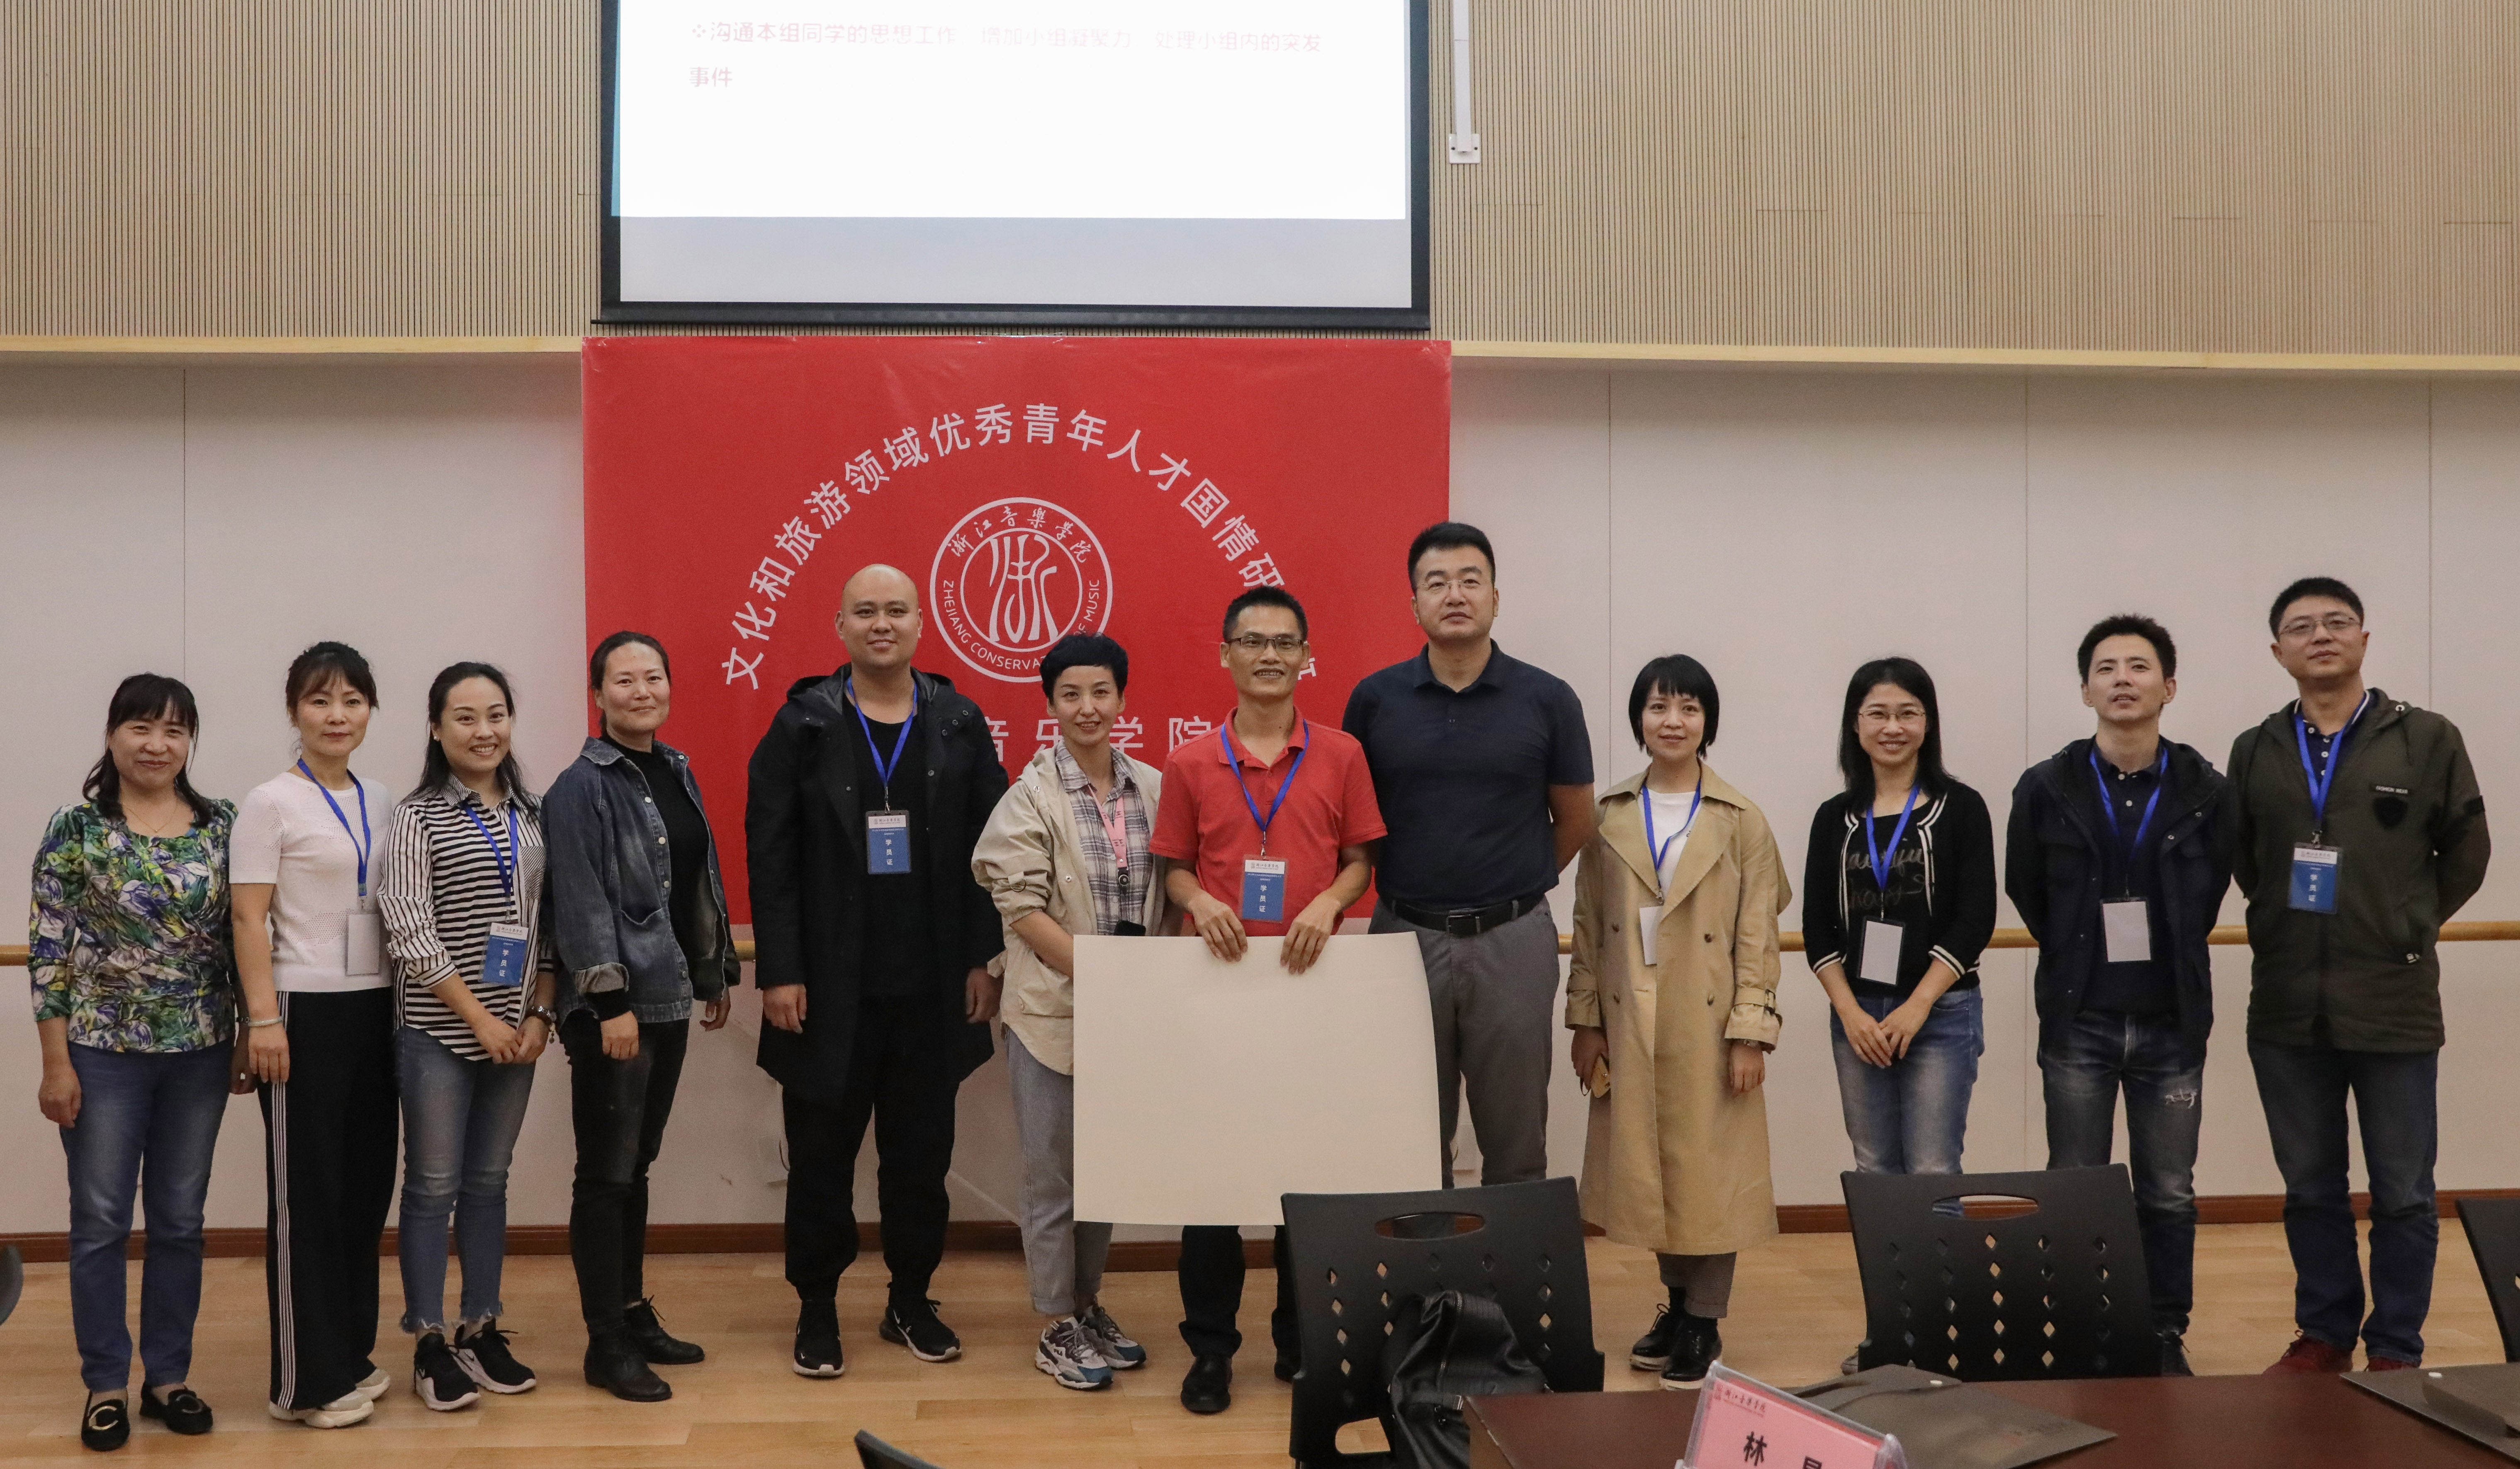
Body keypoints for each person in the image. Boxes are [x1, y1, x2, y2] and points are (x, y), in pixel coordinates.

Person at [746, 564, 1007, 1379]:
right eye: (865, 611)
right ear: (841, 625)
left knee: (920, 1161)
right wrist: (779, 969)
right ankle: (817, 1307)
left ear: (921, 622)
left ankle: (911, 1300)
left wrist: (983, 957)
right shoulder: (804, 724)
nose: (881, 623)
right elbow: (770, 855)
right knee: (820, 1161)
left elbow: (992, 850)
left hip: (932, 987)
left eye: (896, 609)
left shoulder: (959, 721)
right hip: (828, 990)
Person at [2230, 577, 2488, 1374]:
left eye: (2337, 622)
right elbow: (2247, 860)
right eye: (2301, 626)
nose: (2321, 635)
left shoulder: (2427, 738)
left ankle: (2397, 1347)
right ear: (2278, 652)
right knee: (2310, 1186)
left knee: (2405, 1191)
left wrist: (2408, 921)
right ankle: (2325, 1334)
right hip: (2287, 1006)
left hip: (2393, 1002)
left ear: (2364, 640)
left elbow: (2468, 852)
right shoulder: (2256, 748)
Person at [1151, 585, 1385, 1416]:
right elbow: (1174, 867)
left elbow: (1361, 860)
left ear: (1306, 656)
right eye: (1252, 641)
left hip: (1308, 989)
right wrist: (1198, 899)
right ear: (1226, 654)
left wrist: (1330, 903)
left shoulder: (1342, 754)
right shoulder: (1189, 761)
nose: (1269, 655)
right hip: (1217, 995)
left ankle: (1301, 1340)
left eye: (1285, 642)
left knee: (1304, 1179)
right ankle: (1211, 1350)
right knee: (1213, 1183)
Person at [2005, 615, 2234, 1377]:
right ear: (2085, 691)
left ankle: (2162, 1332)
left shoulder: (2206, 789)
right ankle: (2080, 1328)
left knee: (2169, 1191)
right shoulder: (2046, 787)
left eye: (2139, 666)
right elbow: (2027, 888)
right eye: (2106, 668)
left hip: (2172, 1022)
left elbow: (2209, 893)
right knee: (2076, 1187)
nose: (2123, 679)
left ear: (2169, 687)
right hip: (2081, 1020)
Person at [1345, 522, 1595, 1189]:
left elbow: (1577, 818)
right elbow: (1356, 823)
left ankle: (1511, 1261)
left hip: (1513, 939)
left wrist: (1514, 880)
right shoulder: (1375, 700)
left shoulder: (1548, 698)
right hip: (1404, 937)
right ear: (1414, 604)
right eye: (1437, 583)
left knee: (1516, 1140)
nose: (1454, 595)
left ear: (1495, 598)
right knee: (1408, 1135)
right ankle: (1424, 1261)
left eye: (1470, 581)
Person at [1566, 657, 1787, 1391]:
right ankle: (1678, 1306)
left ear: (1707, 722)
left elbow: (1758, 933)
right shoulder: (1609, 816)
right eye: (1659, 707)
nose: (1673, 721)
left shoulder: (1741, 819)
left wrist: (1751, 1030)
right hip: (1631, 1016)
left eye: (1689, 708)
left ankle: (1705, 1320)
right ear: (1639, 719)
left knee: (1710, 1174)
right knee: (1651, 1169)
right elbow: (1589, 923)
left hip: (1711, 1020)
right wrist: (1586, 1020)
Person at [31, 675, 236, 1451]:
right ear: (113, 734)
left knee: (181, 1222)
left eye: (175, 731)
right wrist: (56, 1064)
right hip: (101, 1054)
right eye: (142, 728)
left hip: (200, 1053)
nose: (158, 745)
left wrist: (252, 1031)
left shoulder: (223, 825)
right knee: (101, 1223)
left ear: (191, 742)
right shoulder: (77, 826)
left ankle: (168, 1379)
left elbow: (245, 937)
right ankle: (106, 1384)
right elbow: (49, 952)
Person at [973, 633, 1168, 1391]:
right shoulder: (1028, 797)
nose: (1088, 707)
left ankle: (1088, 1305)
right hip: (1051, 1013)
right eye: (1071, 695)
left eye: (1101, 692)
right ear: (1051, 704)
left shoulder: (1153, 787)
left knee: (1103, 1170)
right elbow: (1021, 908)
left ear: (1122, 698)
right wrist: (1105, 974)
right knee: (1052, 1174)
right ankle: (1055, 1322)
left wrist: (1140, 986)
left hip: (1130, 1018)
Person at [545, 632, 737, 1402]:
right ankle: (606, 1344)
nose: (641, 691)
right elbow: (580, 900)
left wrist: (712, 971)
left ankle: (631, 1312)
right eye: (623, 680)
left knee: (637, 1165)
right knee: (605, 1175)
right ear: (598, 695)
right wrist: (609, 1001)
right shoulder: (580, 786)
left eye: (653, 677)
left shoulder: (676, 768)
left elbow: (694, 882)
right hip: (615, 1009)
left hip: (667, 996)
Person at [1803, 657, 1999, 1365]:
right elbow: (1818, 928)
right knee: (1875, 1175)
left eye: (1908, 712)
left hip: (1939, 1014)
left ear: (1929, 722)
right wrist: (1852, 1013)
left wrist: (1916, 1006)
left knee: (1934, 1172)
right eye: (1878, 713)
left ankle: (1943, 1331)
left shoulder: (1962, 807)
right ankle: (1890, 1328)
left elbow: (1976, 916)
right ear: (1855, 725)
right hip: (1857, 1017)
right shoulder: (1835, 818)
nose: (1893, 727)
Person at [231, 642, 402, 1430]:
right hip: (301, 1011)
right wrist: (262, 1019)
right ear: (294, 711)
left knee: (364, 1190)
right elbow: (247, 919)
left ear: (370, 711)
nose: (338, 716)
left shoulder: (381, 797)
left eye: (352, 701)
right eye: (320, 700)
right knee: (308, 1197)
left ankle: (348, 1355)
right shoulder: (269, 802)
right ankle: (301, 1383)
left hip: (377, 1008)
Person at [378, 662, 557, 1411]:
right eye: (465, 717)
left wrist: (539, 1015)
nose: (484, 731)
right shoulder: (417, 817)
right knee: (432, 1186)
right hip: (439, 1034)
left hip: (517, 1036)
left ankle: (480, 1327)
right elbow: (409, 929)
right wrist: (479, 1018)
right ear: (435, 728)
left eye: (496, 715)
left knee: (488, 1183)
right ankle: (428, 1340)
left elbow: (550, 927)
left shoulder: (535, 813)